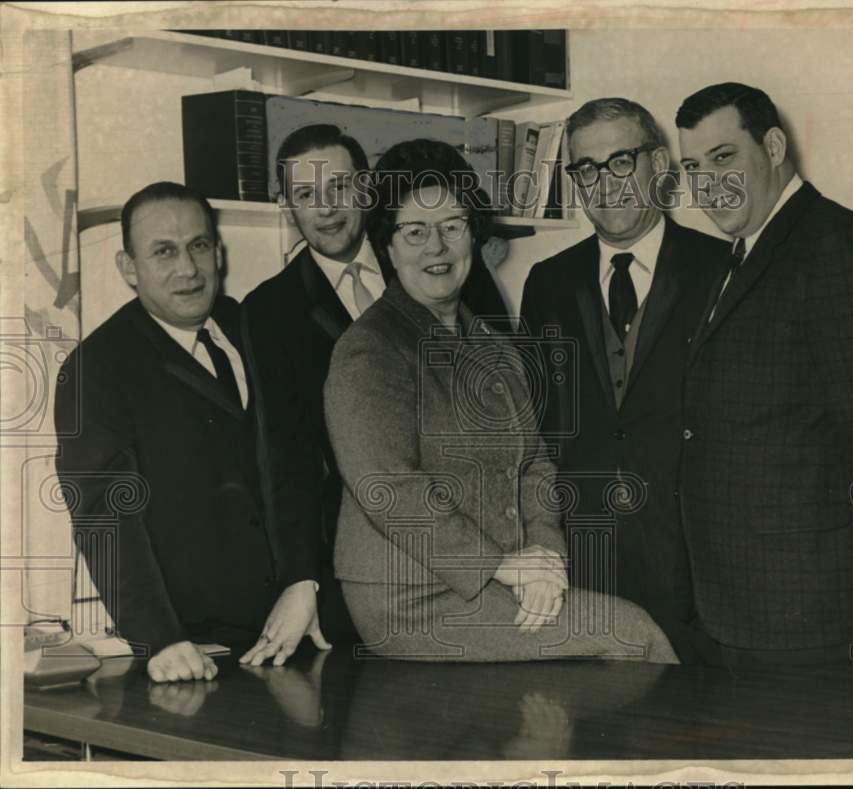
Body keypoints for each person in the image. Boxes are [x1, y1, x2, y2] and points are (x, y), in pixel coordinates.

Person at [325, 138, 677, 663]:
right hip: (409, 598)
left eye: (452, 226)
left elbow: (535, 463)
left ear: (473, 234)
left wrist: (547, 560)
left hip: (497, 576)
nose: (437, 248)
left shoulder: (491, 345)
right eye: (415, 231)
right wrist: (505, 566)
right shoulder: (369, 350)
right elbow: (389, 488)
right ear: (388, 246)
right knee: (633, 633)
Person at [675, 82, 853, 665]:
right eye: (692, 168)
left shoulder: (830, 243)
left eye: (724, 159)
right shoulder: (748, 250)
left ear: (772, 147)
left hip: (809, 601)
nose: (708, 185)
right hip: (745, 596)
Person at [242, 125, 510, 657]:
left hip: (476, 542)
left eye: (340, 187)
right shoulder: (269, 310)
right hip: (367, 566)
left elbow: (505, 401)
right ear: (284, 206)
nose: (327, 209)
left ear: (366, 187)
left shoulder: (433, 252)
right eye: (306, 195)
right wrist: (300, 579)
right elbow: (284, 453)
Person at [54, 182, 327, 682]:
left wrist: (304, 580)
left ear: (218, 253)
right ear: (128, 268)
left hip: (299, 627)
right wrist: (159, 639)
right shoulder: (97, 367)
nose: (187, 268)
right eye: (164, 251)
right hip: (195, 651)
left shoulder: (250, 325)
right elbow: (104, 515)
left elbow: (298, 463)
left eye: (199, 246)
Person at [518, 98, 729, 662]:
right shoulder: (547, 282)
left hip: (698, 560)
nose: (602, 183)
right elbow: (535, 427)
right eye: (585, 168)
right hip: (587, 558)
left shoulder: (722, 269)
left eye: (619, 163)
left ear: (658, 166)